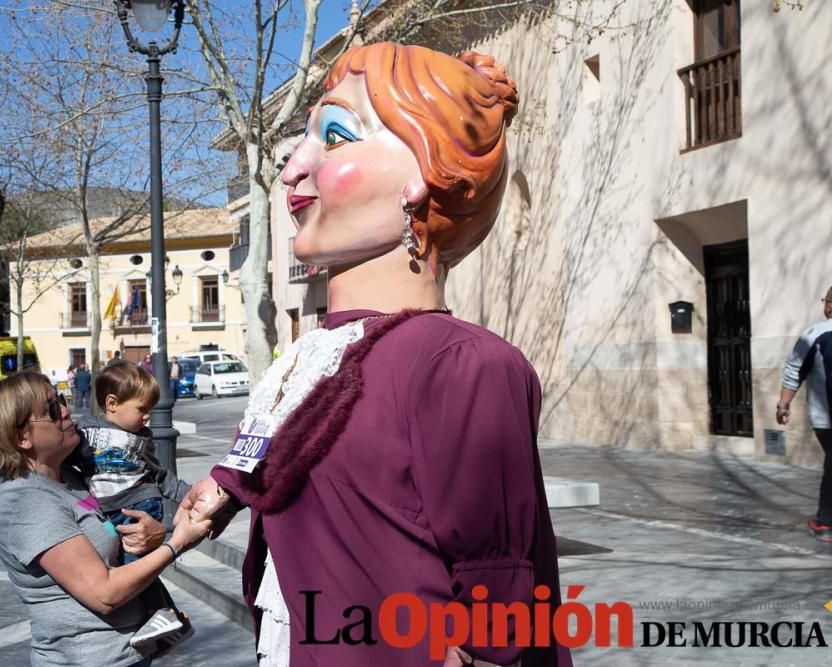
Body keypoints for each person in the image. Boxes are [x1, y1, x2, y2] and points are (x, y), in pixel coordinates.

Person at [181, 43, 569, 666]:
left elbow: (496, 592)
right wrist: (223, 488)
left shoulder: (461, 364)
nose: (292, 170)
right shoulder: (311, 355)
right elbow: (284, 446)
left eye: (334, 136)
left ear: (424, 172)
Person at [0, 372, 210, 666]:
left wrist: (152, 537)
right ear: (21, 437)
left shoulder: (72, 478)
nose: (65, 410)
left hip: (129, 654)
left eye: (60, 400)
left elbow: (112, 538)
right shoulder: (27, 504)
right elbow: (105, 594)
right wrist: (177, 543)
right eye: (51, 410)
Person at [75, 360, 194, 649]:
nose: (148, 417)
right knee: (134, 569)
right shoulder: (85, 431)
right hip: (108, 510)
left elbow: (160, 473)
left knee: (134, 569)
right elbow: (71, 461)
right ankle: (171, 617)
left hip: (140, 505)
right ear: (112, 403)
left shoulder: (142, 440)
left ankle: (158, 615)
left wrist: (187, 494)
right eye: (142, 409)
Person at [778, 285, 832, 543]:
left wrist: (783, 405)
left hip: (826, 420)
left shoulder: (814, 334)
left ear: (829, 305)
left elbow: (794, 371)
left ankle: (825, 523)